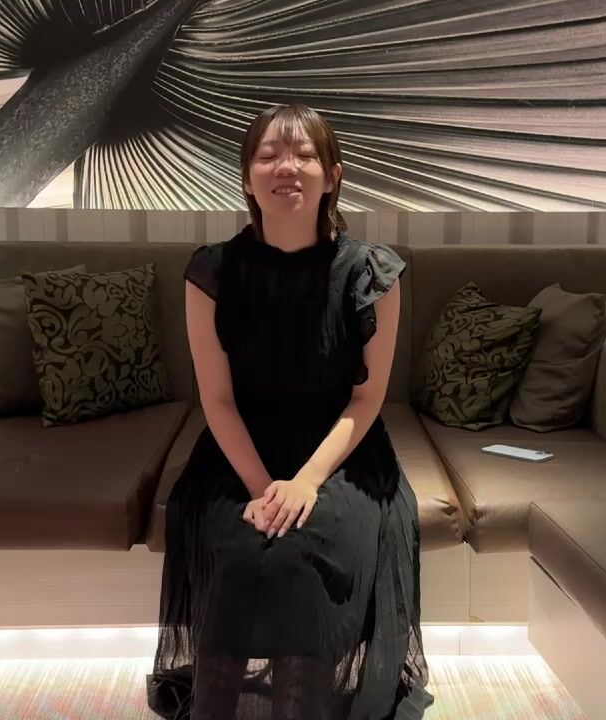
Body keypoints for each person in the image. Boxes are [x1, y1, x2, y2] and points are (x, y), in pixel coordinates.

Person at [147, 104, 432, 720]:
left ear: (332, 175)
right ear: (247, 178)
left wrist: (305, 483)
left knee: (303, 556)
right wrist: (262, 488)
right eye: (269, 155)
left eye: (304, 154)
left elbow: (366, 398)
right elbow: (217, 399)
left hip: (340, 452)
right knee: (239, 551)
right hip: (240, 448)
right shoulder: (212, 271)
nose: (287, 167)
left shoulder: (371, 273)